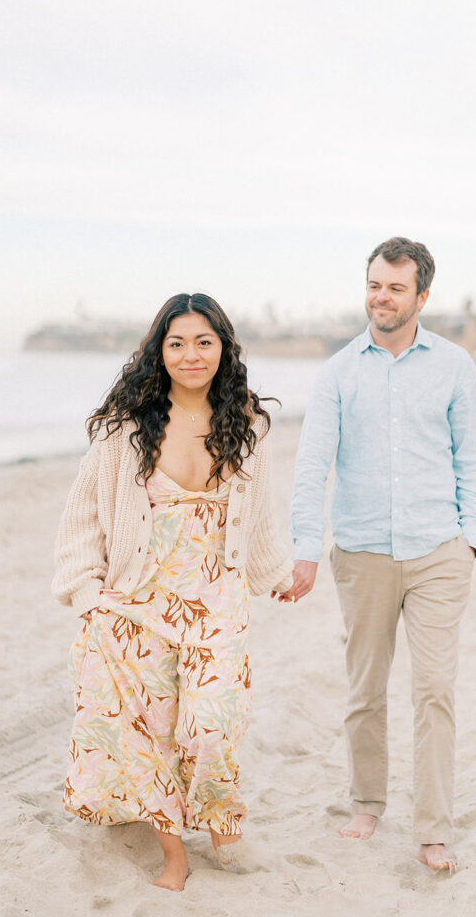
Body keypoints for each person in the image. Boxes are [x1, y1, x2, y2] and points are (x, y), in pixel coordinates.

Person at [53, 292, 293, 892]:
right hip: (136, 602)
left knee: (212, 725)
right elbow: (81, 516)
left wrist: (276, 573)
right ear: (158, 351)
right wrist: (87, 595)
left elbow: (258, 516)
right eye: (177, 342)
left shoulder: (247, 425)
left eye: (203, 342)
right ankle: (173, 852)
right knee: (150, 730)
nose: (191, 355)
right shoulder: (125, 430)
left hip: (215, 602)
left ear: (223, 348)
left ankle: (219, 818)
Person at [283, 238, 476, 872]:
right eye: (375, 284)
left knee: (434, 690)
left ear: (421, 296)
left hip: (437, 553)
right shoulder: (339, 371)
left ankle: (433, 828)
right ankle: (367, 802)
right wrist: (305, 549)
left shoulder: (455, 367)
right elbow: (313, 462)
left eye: (396, 287)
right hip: (362, 551)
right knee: (365, 688)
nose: (382, 296)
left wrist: (469, 539)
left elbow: (472, 458)